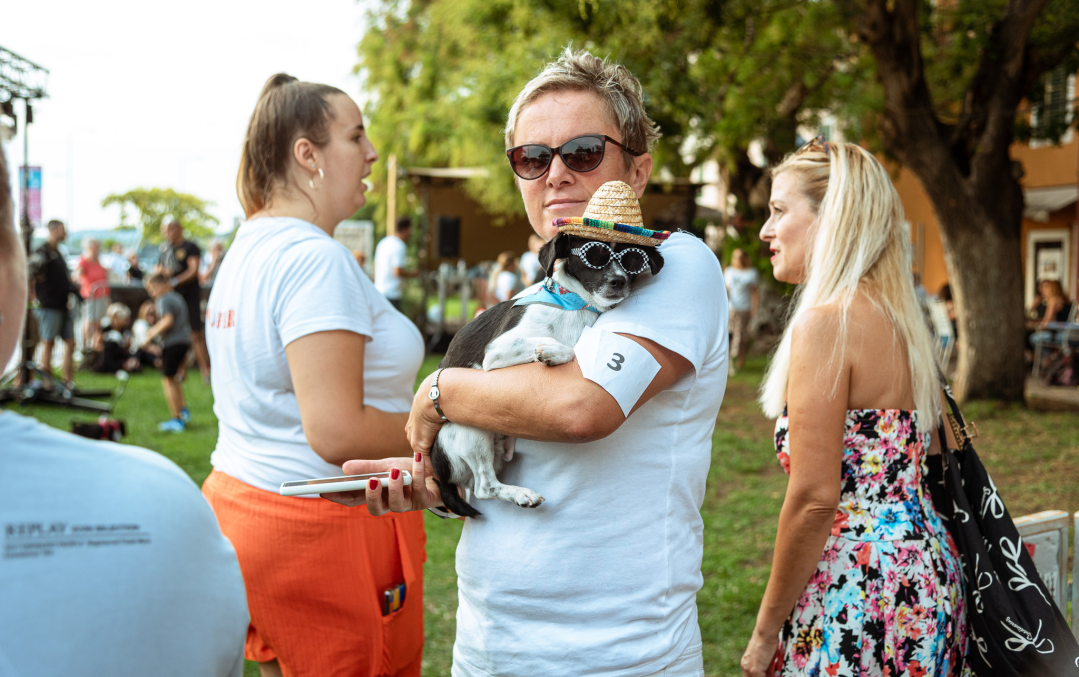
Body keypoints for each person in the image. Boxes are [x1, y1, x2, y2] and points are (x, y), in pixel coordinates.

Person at [334, 48, 728, 677]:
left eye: (584, 152)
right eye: (532, 158)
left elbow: (582, 407)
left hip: (620, 660)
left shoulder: (673, 267)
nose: (556, 175)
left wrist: (436, 391)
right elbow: (510, 445)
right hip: (487, 651)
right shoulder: (526, 304)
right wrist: (436, 483)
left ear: (639, 170)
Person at [201, 73, 426, 677]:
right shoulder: (313, 259)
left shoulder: (249, 245)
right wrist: (453, 429)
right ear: (308, 154)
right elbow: (337, 432)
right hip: (319, 529)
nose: (372, 153)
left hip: (245, 506)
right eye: (356, 136)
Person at [0, 134, 249, 677]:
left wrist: (150, 337)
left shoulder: (163, 502)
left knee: (175, 378)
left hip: (178, 335)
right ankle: (181, 405)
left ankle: (181, 410)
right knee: (174, 378)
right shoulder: (165, 500)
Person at [741, 138, 967, 676]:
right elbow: (928, 453)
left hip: (858, 586)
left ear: (832, 217)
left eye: (778, 211)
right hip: (927, 572)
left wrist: (764, 631)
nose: (765, 231)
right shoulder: (902, 324)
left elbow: (816, 500)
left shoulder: (828, 324)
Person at [157, 218, 210, 383]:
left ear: (179, 229)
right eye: (165, 230)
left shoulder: (190, 247)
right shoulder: (165, 249)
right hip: (174, 298)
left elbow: (194, 271)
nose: (168, 233)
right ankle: (181, 371)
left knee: (195, 333)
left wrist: (174, 282)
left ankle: (205, 372)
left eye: (171, 229)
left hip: (190, 295)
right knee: (178, 335)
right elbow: (159, 269)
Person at [28, 220, 76, 383]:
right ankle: (47, 383)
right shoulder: (42, 251)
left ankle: (67, 382)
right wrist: (34, 298)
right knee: (48, 343)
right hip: (48, 305)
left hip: (63, 304)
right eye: (63, 229)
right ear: (53, 230)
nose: (65, 233)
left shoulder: (59, 252)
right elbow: (30, 274)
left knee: (71, 342)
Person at [143, 274, 192, 432]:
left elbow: (167, 320)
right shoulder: (178, 297)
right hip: (184, 340)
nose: (152, 293)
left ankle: (176, 419)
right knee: (174, 378)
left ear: (162, 284)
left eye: (153, 289)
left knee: (168, 379)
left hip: (173, 342)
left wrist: (150, 334)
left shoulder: (164, 299)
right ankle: (183, 410)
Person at [725, 248, 758, 374]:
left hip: (745, 309)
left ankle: (740, 358)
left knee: (742, 335)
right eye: (735, 256)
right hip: (732, 308)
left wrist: (754, 308)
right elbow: (727, 289)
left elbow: (754, 292)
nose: (737, 259)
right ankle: (729, 361)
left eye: (739, 256)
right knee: (731, 334)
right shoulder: (729, 271)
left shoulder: (751, 273)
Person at [373, 216, 418, 311]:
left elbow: (375, 267)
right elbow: (397, 272)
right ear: (405, 229)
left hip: (378, 291)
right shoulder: (399, 246)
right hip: (391, 294)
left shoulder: (383, 242)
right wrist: (413, 274)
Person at [75, 238, 112, 349]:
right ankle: (85, 346)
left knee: (98, 322)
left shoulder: (98, 261)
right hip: (90, 296)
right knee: (89, 321)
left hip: (101, 295)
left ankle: (95, 345)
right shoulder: (84, 261)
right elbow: (78, 276)